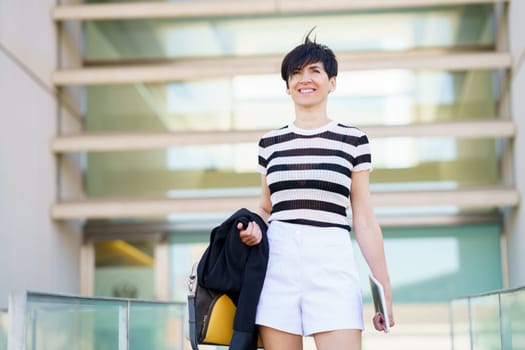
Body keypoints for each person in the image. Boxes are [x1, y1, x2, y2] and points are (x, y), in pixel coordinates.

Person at [237, 31, 394, 350]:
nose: (304, 80)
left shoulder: (353, 141)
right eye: (295, 73)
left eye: (314, 71)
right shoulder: (270, 143)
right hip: (278, 265)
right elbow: (267, 208)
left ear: (332, 82)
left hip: (332, 263)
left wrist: (384, 290)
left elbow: (363, 218)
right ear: (287, 86)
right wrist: (253, 228)